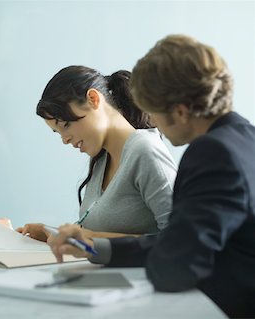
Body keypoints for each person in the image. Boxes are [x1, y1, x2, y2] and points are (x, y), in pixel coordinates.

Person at [47, 35, 255, 318]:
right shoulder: (245, 138)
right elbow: (178, 243)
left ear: (180, 111)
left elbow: (176, 266)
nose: (151, 122)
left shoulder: (212, 152)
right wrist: (95, 246)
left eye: (153, 112)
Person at [17, 67, 177, 241]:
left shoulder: (145, 150)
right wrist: (51, 233)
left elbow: (179, 240)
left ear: (93, 99)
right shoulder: (102, 160)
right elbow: (94, 235)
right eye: (58, 132)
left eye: (65, 125)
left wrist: (90, 238)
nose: (65, 139)